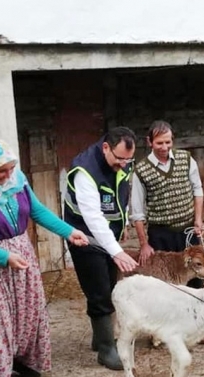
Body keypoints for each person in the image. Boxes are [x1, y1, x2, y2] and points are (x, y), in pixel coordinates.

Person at [0, 139, 88, 377]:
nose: (7, 176)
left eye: (10, 169)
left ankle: (24, 365)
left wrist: (68, 231)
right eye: (0, 171)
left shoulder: (18, 181)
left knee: (28, 315)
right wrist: (4, 257)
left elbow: (36, 211)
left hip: (20, 258)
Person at [63, 127, 139, 371]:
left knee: (109, 283)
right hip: (84, 237)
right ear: (106, 147)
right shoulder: (85, 172)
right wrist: (116, 251)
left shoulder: (120, 164)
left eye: (129, 159)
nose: (124, 165)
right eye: (120, 158)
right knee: (99, 290)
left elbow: (121, 195)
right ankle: (107, 349)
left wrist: (123, 222)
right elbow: (93, 218)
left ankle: (100, 338)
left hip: (109, 237)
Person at [130, 120, 204, 267]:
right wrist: (144, 244)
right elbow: (137, 211)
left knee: (194, 277)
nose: (164, 147)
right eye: (159, 143)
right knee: (165, 280)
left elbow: (197, 189)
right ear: (149, 142)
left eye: (167, 142)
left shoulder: (186, 159)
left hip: (188, 231)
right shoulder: (141, 170)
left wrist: (198, 219)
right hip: (160, 235)